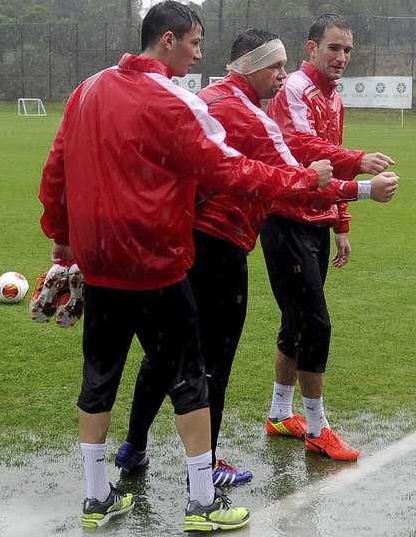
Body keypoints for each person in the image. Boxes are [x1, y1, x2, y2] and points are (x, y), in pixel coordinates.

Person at [38, 1, 332, 532]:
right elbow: (231, 171)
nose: (199, 54)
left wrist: (61, 238)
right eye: (195, 43)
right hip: (156, 263)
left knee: (99, 376)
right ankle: (203, 501)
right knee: (189, 376)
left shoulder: (87, 89)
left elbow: (56, 166)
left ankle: (96, 497)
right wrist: (304, 181)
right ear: (168, 40)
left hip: (100, 263)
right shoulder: (174, 100)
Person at [114, 29, 398, 483]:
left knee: (167, 352)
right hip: (220, 244)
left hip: (182, 238)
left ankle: (133, 447)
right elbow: (291, 171)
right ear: (250, 65)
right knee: (216, 358)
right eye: (276, 67)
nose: (282, 77)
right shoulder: (248, 114)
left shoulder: (206, 96)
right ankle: (205, 465)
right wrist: (362, 188)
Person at [260, 14, 397, 461]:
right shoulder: (294, 89)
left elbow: (329, 170)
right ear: (312, 48)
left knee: (296, 323)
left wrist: (341, 225)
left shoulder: (334, 100)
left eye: (348, 50)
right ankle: (317, 426)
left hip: (317, 222)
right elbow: (298, 146)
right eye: (334, 48)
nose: (341, 57)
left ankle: (281, 413)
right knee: (315, 324)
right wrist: (358, 160)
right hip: (286, 219)